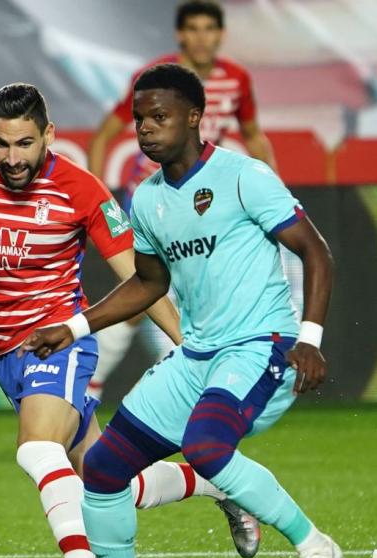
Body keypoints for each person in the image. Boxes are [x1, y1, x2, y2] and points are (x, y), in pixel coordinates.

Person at [0, 82, 262, 558]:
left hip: (60, 340)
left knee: (34, 448)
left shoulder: (81, 189)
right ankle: (217, 482)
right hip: (3, 352)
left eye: (25, 143)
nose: (12, 158)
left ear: (48, 134)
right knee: (107, 480)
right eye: (2, 144)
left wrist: (191, 347)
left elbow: (141, 278)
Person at [24, 63, 340, 558]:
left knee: (206, 447)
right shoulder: (146, 200)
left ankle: (315, 544)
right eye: (140, 119)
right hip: (197, 356)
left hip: (258, 345)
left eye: (160, 117)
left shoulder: (246, 177)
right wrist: (72, 328)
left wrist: (310, 339)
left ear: (195, 117)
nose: (146, 129)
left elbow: (316, 252)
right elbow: (148, 284)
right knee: (101, 469)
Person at [87, 0, 277, 401]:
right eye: (194, 28)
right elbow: (105, 135)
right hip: (152, 197)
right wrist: (102, 201)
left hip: (202, 202)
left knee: (174, 296)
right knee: (147, 295)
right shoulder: (158, 80)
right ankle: (102, 384)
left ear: (221, 35)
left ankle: (109, 385)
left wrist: (274, 190)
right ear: (180, 34)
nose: (202, 37)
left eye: (210, 28)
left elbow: (255, 135)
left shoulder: (236, 79)